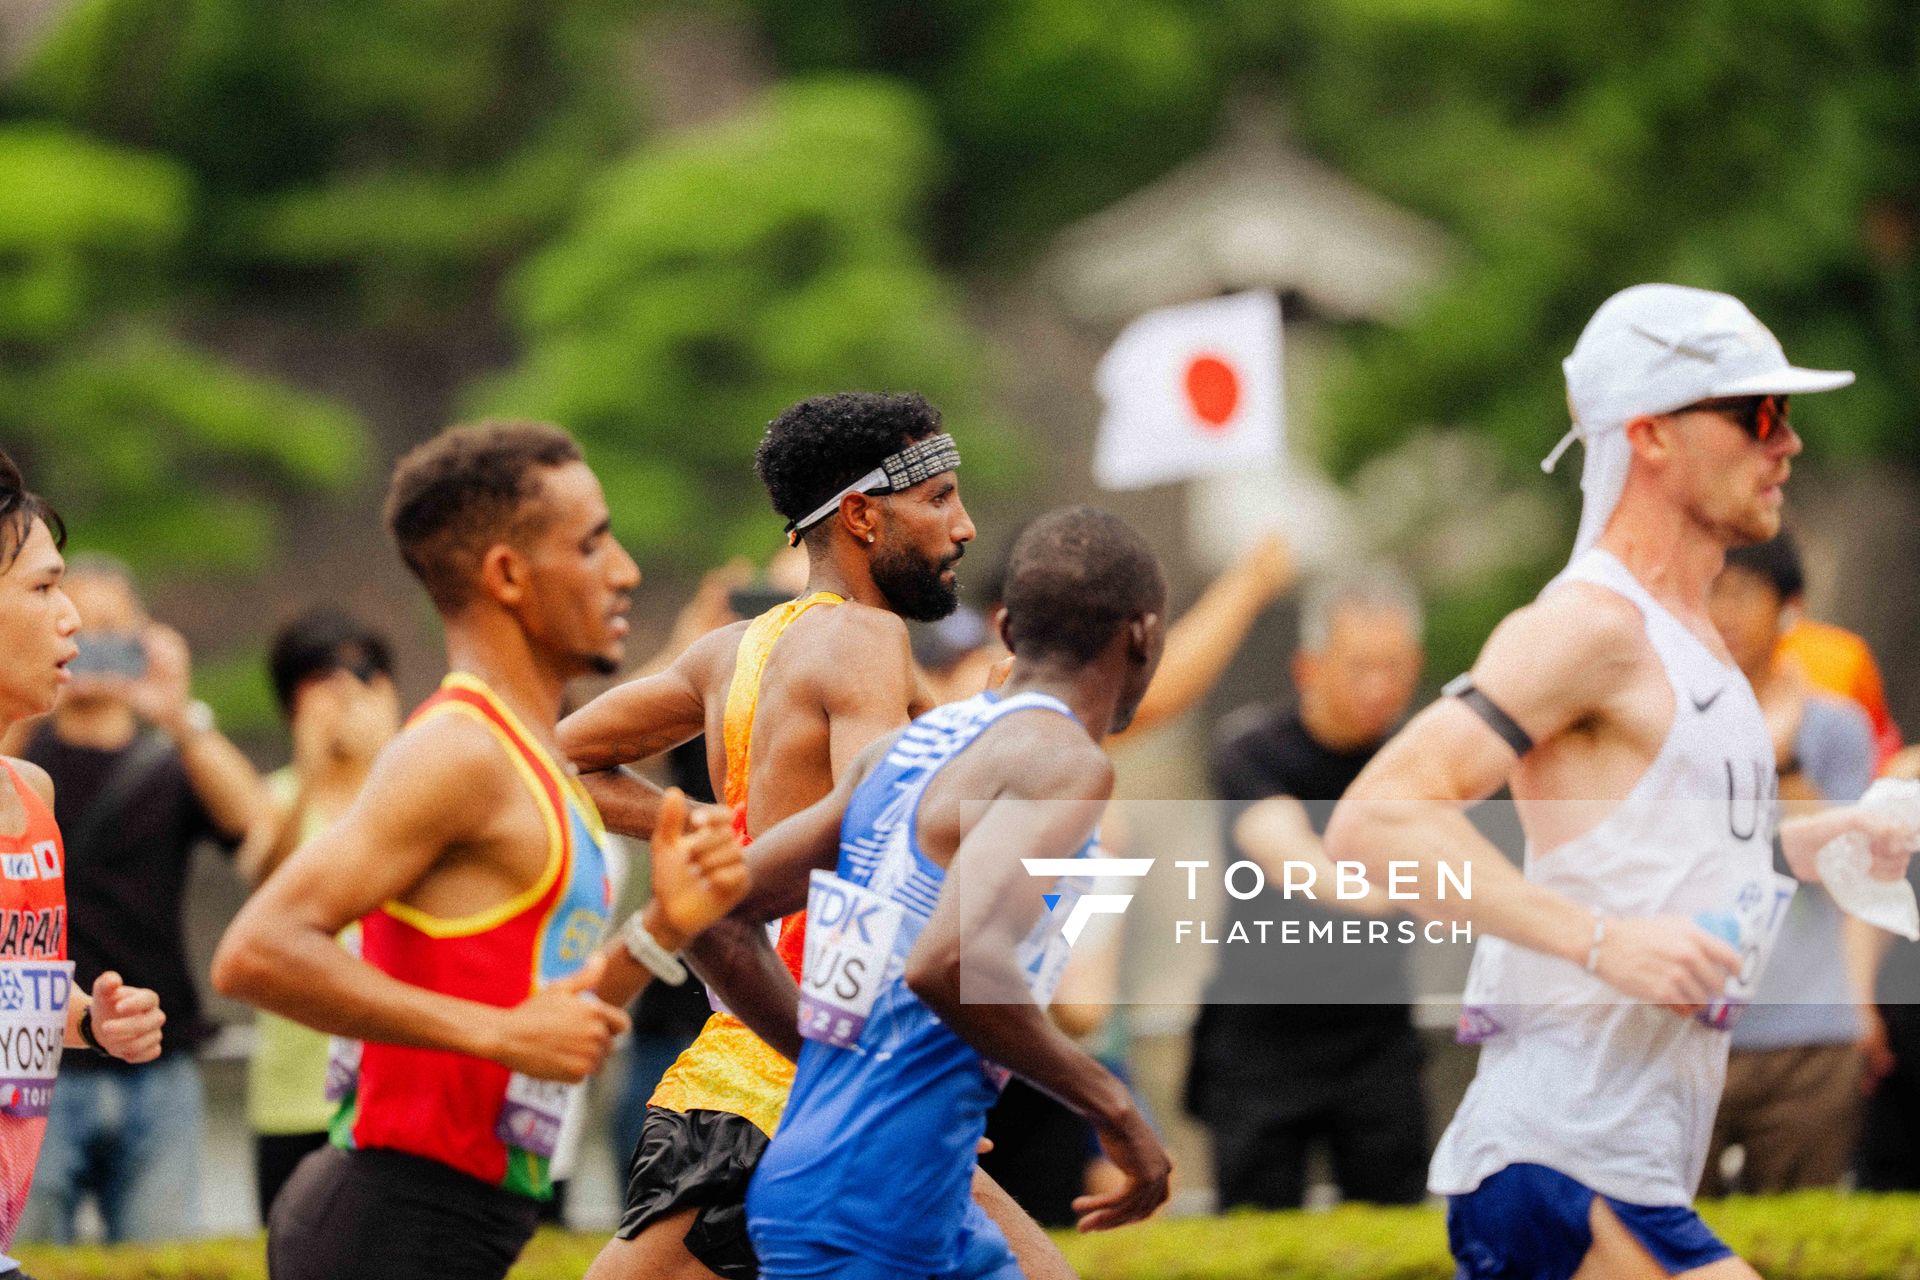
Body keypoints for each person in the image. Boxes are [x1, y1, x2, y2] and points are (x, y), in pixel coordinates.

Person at [1325, 284, 1918, 1280]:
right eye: (1759, 414)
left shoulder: (1700, 651)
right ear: (1649, 434)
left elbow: (1643, 853)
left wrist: (1814, 843)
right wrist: (1603, 942)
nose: (1789, 444)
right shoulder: (1591, 626)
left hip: (1626, 1167)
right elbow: (1376, 820)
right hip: (1555, 1159)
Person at [212, 421, 748, 1280]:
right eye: (593, 543)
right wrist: (496, 1034)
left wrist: (661, 928)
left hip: (463, 1223)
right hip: (385, 1222)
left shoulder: (534, 756)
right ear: (506, 574)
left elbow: (547, 1024)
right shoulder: (458, 752)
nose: (626, 571)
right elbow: (254, 953)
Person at [559, 392, 1070, 1280]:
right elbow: (888, 827)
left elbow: (555, 762)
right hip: (820, 1071)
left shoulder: (730, 653)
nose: (967, 526)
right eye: (941, 498)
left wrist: (716, 834)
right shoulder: (866, 638)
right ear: (865, 517)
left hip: (747, 1072)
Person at [674, 505, 1174, 1279]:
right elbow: (946, 963)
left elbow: (712, 916)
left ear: (1006, 630)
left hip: (876, 1187)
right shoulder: (1066, 763)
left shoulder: (908, 750)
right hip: (871, 1210)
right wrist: (1111, 1106)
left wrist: (829, 1070)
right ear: (1141, 636)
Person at [10, 554, 266, 1244]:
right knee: (25, 1250)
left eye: (113, 631)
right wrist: (33, 692)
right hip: (38, 1060)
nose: (88, 644)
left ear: (147, 640)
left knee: (160, 1257)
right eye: (76, 626)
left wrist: (178, 715)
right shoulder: (24, 767)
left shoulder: (168, 763)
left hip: (157, 1053)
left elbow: (260, 829)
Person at [1186, 566, 1429, 1210]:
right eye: (1359, 666)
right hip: (1259, 1035)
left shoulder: (1421, 755)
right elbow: (1286, 851)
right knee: (1256, 1244)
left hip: (1377, 1036)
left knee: (1397, 1235)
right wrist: (1393, 892)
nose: (1379, 685)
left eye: (1394, 666)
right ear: (1308, 668)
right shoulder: (1251, 748)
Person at [0, 450, 168, 1273]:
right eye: (41, 588)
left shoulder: (32, 794)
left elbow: (10, 989)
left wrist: (87, 1022)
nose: (73, 620)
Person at [1700, 532, 1875, 1195]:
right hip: (1688, 1024)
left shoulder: (1836, 727)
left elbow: (1846, 868)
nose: (1724, 612)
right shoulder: (1666, 717)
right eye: (1711, 591)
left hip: (1808, 1032)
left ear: (1789, 608)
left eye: (1741, 593)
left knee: (1804, 1242)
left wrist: (1784, 757)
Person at [237, 607, 401, 1223]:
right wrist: (310, 773)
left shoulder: (415, 797)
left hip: (390, 1087)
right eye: (319, 678)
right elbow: (260, 885)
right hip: (290, 1096)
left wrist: (389, 753)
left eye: (361, 673)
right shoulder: (277, 796)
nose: (342, 694)